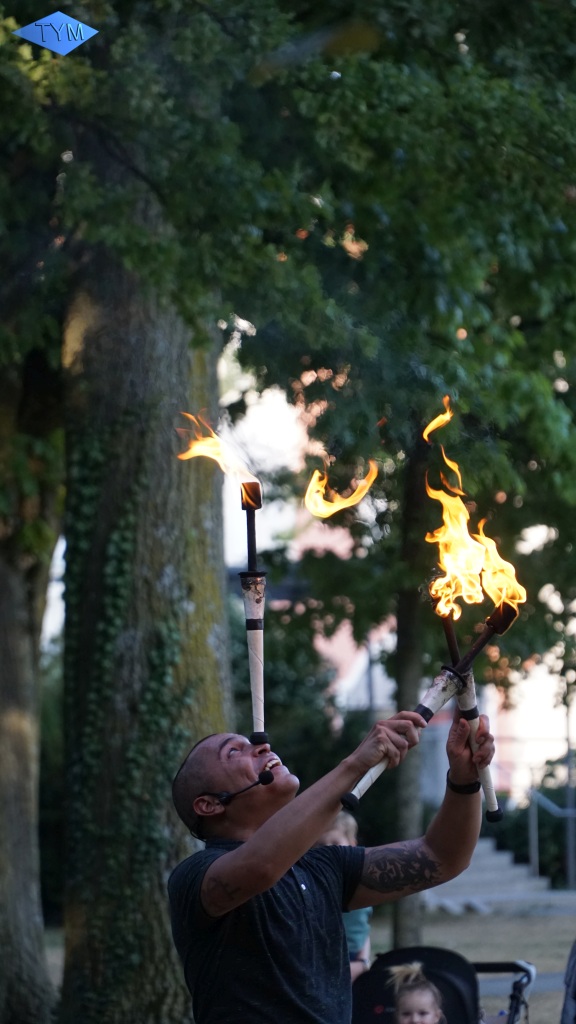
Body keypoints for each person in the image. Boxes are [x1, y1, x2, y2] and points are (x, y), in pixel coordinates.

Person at [168, 708, 494, 1024]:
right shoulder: (195, 877)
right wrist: (355, 764)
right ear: (209, 804)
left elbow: (441, 857)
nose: (262, 747)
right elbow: (261, 866)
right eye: (234, 751)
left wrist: (464, 780)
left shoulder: (323, 867)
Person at [318, 810, 373, 981]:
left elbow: (364, 924)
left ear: (352, 845)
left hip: (355, 955)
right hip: (327, 960)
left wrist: (363, 959)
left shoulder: (361, 882)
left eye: (335, 842)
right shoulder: (317, 884)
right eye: (320, 844)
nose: (328, 849)